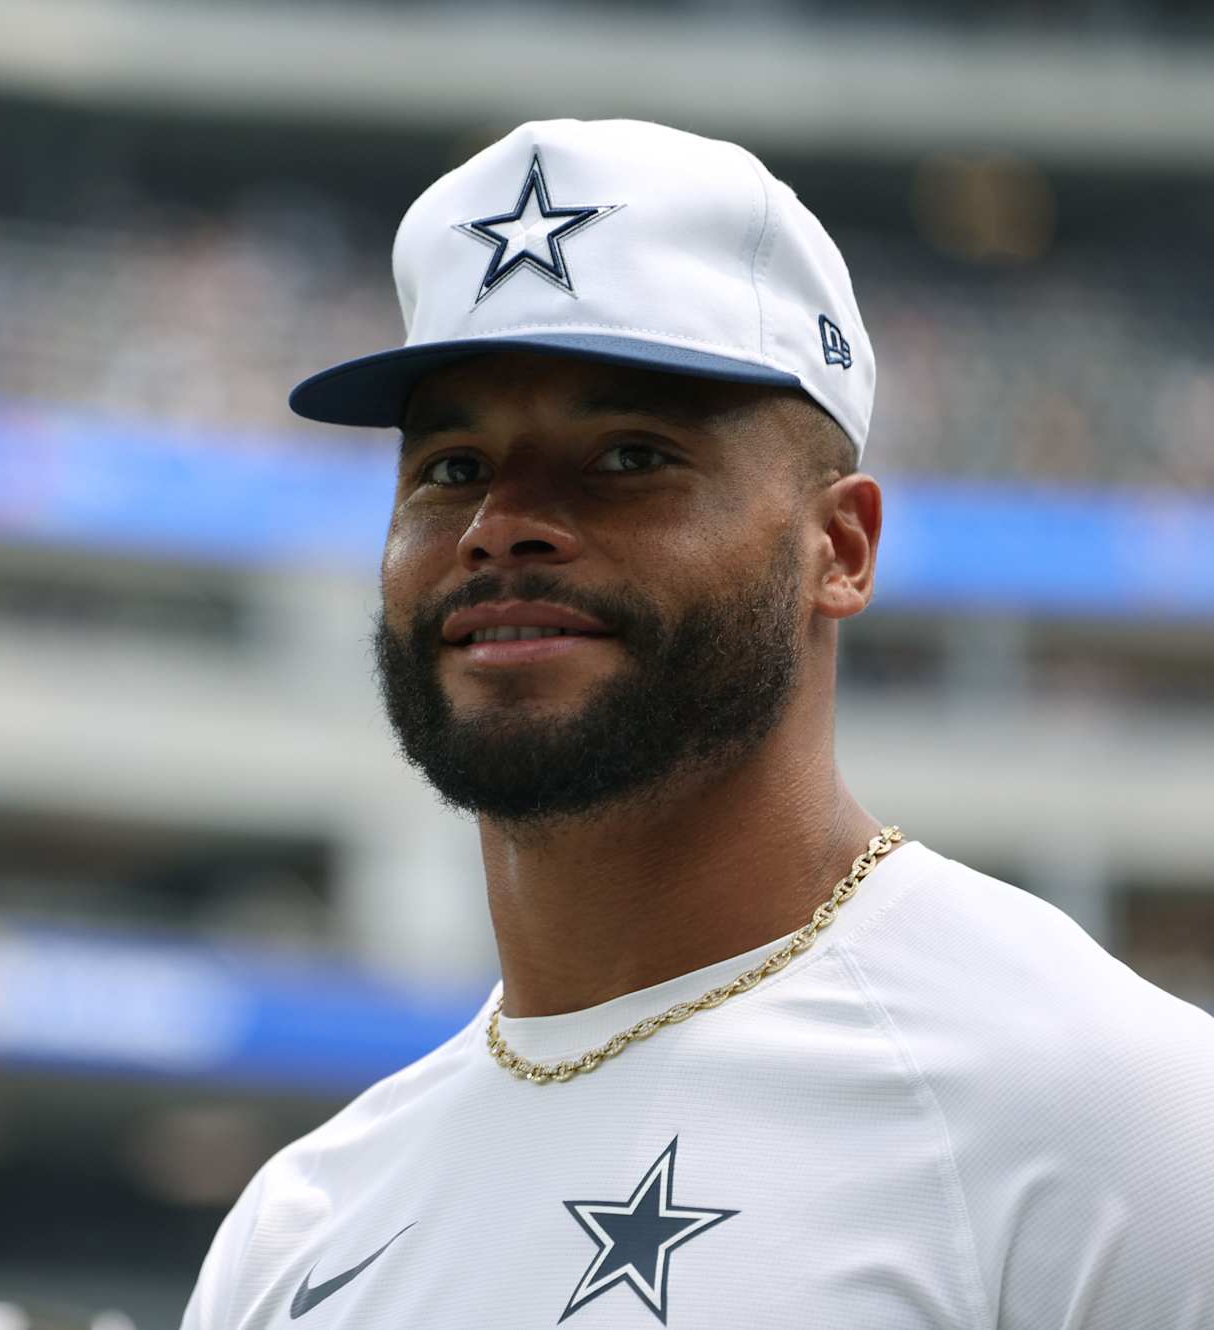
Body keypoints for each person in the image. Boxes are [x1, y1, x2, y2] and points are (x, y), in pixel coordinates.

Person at [178, 120, 1214, 1327]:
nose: (501, 525)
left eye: (627, 455)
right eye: (451, 468)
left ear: (841, 546)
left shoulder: (1106, 1113)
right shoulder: (298, 1228)